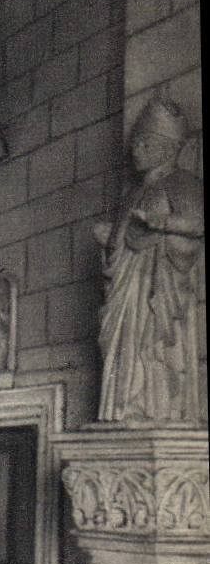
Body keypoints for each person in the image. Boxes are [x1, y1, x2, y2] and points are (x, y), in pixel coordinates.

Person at [93, 97, 205, 425]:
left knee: (149, 342)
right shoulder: (132, 192)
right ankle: (122, 406)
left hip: (157, 283)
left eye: (144, 143)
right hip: (128, 283)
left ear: (167, 148)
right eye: (136, 143)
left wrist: (161, 223)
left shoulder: (181, 182)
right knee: (116, 338)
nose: (135, 150)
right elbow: (124, 237)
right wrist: (110, 236)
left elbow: (197, 223)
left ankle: (149, 407)